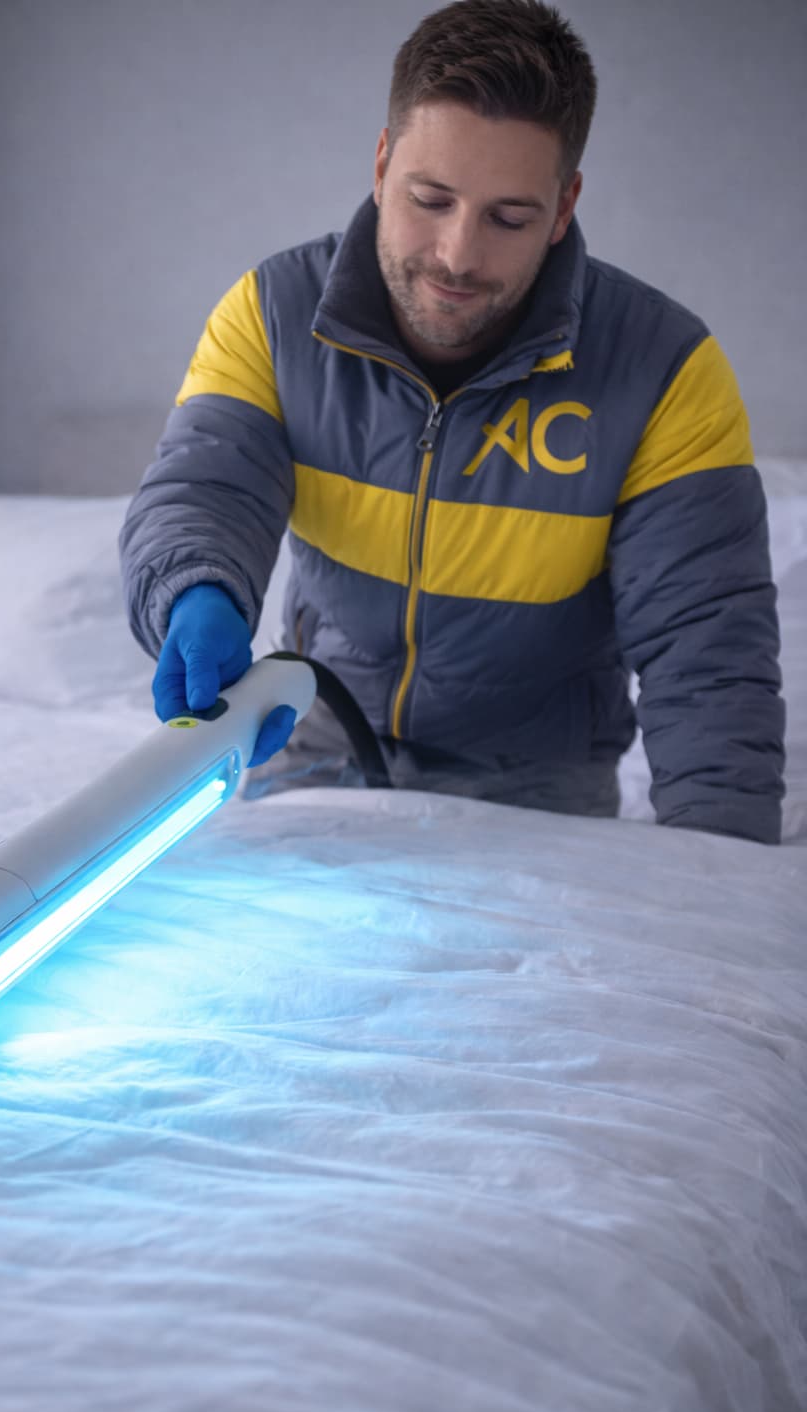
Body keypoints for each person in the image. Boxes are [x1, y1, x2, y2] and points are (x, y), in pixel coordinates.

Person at [120, 0, 785, 843]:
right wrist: (195, 591)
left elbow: (706, 646)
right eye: (430, 199)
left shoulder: (665, 371)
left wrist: (722, 873)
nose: (457, 256)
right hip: (319, 743)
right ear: (381, 164)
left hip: (539, 785)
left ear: (565, 205)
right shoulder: (270, 315)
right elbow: (207, 486)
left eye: (509, 218)